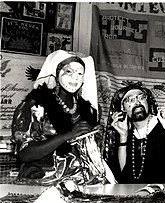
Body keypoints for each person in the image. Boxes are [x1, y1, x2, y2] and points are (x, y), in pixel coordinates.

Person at [11, 50, 115, 185]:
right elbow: (25, 153)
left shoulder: (88, 109)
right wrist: (67, 135)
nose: (75, 78)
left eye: (80, 73)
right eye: (69, 72)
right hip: (44, 183)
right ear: (56, 73)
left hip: (84, 183)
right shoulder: (35, 106)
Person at [104, 82, 165, 183]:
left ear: (148, 102)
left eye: (141, 97)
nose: (137, 102)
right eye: (130, 100)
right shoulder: (128, 135)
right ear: (122, 108)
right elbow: (123, 176)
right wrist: (123, 137)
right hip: (138, 196)